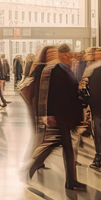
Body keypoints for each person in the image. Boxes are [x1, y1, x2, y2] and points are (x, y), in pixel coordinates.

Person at [29, 44, 86, 191]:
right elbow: (50, 94)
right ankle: (30, 169)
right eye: (52, 53)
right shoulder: (53, 70)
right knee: (55, 145)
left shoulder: (61, 68)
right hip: (60, 115)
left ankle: (71, 180)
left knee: (65, 147)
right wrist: (49, 114)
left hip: (65, 114)